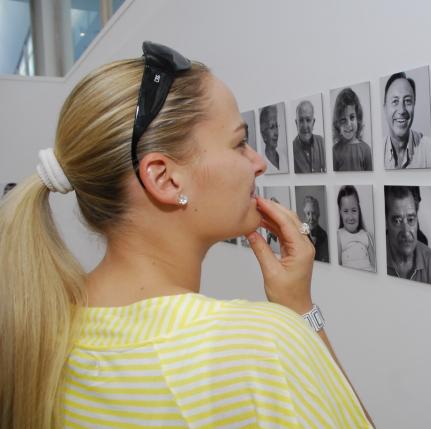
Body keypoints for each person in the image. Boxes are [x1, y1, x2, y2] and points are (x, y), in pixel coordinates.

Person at [0, 42, 373, 428]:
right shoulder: (260, 348)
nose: (258, 163)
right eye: (239, 143)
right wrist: (301, 312)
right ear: (164, 178)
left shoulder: (43, 337)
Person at [384, 186, 431, 284]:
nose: (406, 232)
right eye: (397, 221)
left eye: (411, 219)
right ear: (386, 222)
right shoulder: (373, 256)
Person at [383, 72, 431, 169]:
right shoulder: (375, 154)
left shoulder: (430, 150)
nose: (402, 110)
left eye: (407, 101)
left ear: (414, 105)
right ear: (385, 108)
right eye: (395, 101)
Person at [332, 88, 373, 172]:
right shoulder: (335, 151)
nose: (348, 124)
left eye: (352, 117)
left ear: (358, 118)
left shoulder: (365, 149)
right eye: (343, 120)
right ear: (338, 123)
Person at [336, 185, 376, 272]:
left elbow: (375, 265)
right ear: (340, 213)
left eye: (354, 210)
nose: (350, 217)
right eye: (346, 211)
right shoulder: (339, 236)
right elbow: (337, 266)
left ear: (359, 210)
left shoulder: (366, 235)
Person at [292, 100, 326, 173]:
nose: (305, 126)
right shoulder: (291, 150)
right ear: (296, 123)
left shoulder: (323, 143)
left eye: (308, 120)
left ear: (313, 122)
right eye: (301, 120)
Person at [301, 195, 330, 263]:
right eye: (308, 214)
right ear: (304, 216)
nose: (311, 218)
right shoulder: (299, 235)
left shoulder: (324, 235)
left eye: (313, 213)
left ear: (318, 214)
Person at [259, 104, 284, 173]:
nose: (276, 133)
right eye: (272, 127)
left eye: (276, 126)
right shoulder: (261, 165)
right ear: (264, 134)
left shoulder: (284, 158)